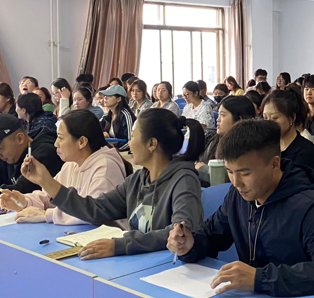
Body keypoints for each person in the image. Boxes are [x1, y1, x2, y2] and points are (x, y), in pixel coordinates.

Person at [167, 119, 314, 297]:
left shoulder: (307, 206)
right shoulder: (237, 197)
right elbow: (211, 236)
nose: (236, 183)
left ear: (274, 164)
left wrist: (259, 278)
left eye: (245, 173)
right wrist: (190, 245)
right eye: (230, 172)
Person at [20, 108, 203, 260]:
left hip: (169, 267)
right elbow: (95, 209)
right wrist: (46, 182)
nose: (129, 144)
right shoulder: (137, 180)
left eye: (133, 137)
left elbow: (180, 232)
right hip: (139, 262)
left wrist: (120, 245)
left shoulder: (184, 180)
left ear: (152, 144)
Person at [0, 110, 132, 226]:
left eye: (60, 138)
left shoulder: (106, 166)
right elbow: (49, 196)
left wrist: (47, 215)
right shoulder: (71, 164)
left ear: (81, 142)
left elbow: (94, 214)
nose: (56, 144)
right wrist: (24, 201)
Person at [198, 96, 257, 185]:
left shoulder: (247, 145)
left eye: (223, 115)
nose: (218, 120)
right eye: (218, 115)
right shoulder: (215, 139)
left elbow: (225, 178)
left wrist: (202, 169)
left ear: (239, 119)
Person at [263, 87, 314, 173]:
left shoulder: (306, 151)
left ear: (292, 117)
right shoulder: (264, 146)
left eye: (274, 118)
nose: (268, 123)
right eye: (265, 118)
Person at [99, 85, 136, 152]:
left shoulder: (126, 115)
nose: (105, 98)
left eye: (109, 96)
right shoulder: (107, 116)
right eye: (105, 96)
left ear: (118, 99)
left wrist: (115, 149)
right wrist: (103, 133)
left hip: (125, 152)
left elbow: (130, 140)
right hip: (112, 151)